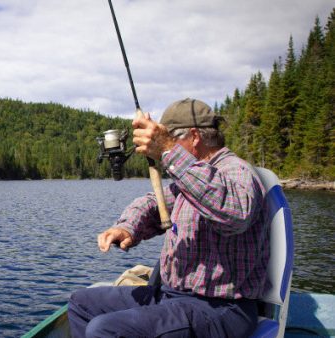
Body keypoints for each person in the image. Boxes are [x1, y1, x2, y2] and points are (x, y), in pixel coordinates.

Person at [68, 98, 270, 338]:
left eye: (171, 139)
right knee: (81, 303)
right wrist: (128, 228)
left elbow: (234, 213)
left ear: (194, 136)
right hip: (171, 295)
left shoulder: (236, 170)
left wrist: (168, 151)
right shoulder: (191, 177)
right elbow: (154, 204)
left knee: (104, 330)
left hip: (220, 308)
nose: (160, 148)